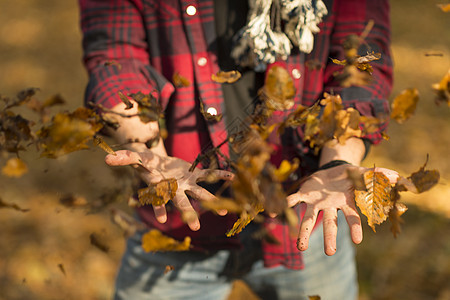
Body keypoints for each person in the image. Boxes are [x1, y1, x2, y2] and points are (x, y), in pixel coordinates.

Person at [79, 0, 395, 299]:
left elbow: (361, 60)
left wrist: (337, 160)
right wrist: (147, 146)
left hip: (307, 213)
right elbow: (116, 56)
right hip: (179, 223)